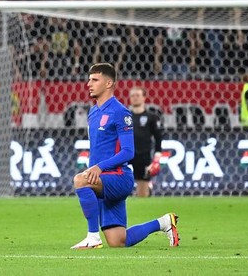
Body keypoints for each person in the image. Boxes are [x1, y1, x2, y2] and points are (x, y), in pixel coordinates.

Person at [71, 63, 178, 250]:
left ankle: (92, 237)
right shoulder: (93, 112)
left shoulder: (120, 112)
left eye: (94, 80)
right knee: (118, 241)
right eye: (89, 79)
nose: (89, 83)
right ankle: (164, 223)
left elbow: (128, 152)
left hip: (118, 177)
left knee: (80, 180)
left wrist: (99, 167)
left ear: (109, 83)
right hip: (102, 179)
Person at [128, 87, 163, 197]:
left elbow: (158, 138)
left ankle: (146, 191)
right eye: (132, 96)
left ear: (144, 97)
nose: (135, 98)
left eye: (137, 95)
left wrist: (157, 158)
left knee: (142, 189)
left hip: (143, 156)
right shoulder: (125, 117)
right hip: (125, 155)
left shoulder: (151, 117)